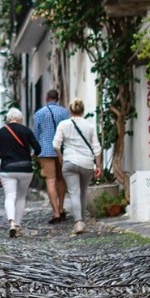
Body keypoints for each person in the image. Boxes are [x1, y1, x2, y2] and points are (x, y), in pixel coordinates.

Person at [0, 107, 40, 238]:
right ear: (20, 119)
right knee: (21, 197)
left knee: (10, 196)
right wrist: (31, 155)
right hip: (25, 169)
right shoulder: (26, 130)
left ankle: (11, 222)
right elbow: (38, 149)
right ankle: (18, 226)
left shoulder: (0, 132)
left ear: (8, 119)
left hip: (7, 169)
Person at [53, 98, 103, 236]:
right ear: (83, 110)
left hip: (69, 162)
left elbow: (56, 144)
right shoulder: (90, 126)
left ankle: (78, 222)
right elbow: (96, 148)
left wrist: (61, 157)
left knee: (74, 192)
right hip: (87, 163)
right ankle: (82, 219)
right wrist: (98, 165)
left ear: (70, 110)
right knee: (83, 191)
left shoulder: (63, 124)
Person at [32, 89, 71, 223]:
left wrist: (35, 152)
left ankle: (55, 213)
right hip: (62, 150)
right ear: (58, 98)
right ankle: (61, 208)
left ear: (46, 98)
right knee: (61, 179)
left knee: (50, 180)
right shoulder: (65, 112)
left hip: (46, 151)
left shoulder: (39, 114)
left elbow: (36, 135)